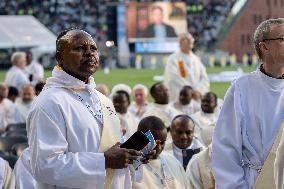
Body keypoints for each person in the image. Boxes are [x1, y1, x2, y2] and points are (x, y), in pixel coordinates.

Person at [15, 29, 141, 189]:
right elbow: (45, 166)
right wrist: (104, 161)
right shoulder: (49, 102)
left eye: (93, 48)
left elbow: (109, 147)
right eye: (79, 48)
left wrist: (136, 155)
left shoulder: (102, 99)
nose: (89, 53)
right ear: (60, 58)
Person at [212, 18, 284, 188]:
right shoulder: (242, 88)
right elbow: (226, 148)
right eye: (282, 38)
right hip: (257, 182)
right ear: (264, 46)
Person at [131, 116, 190, 189]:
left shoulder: (173, 161)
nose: (159, 148)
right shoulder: (131, 168)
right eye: (154, 143)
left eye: (162, 143)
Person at [164, 33, 209, 102]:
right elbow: (173, 78)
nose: (190, 41)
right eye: (187, 39)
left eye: (191, 39)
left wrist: (199, 90)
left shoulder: (196, 59)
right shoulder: (173, 59)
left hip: (196, 99)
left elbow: (204, 78)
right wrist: (190, 91)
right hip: (181, 99)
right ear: (180, 42)